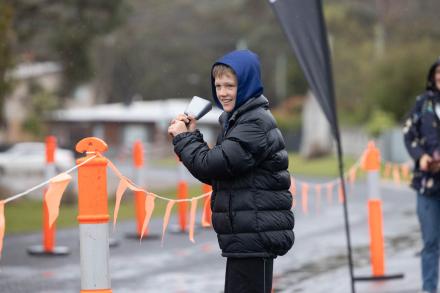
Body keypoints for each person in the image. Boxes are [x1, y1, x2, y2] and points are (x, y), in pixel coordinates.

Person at [168, 49, 295, 292]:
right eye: (218, 86)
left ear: (247, 84)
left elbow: (213, 164)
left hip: (255, 235)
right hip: (246, 235)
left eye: (230, 85)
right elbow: (215, 172)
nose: (223, 93)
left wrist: (184, 139)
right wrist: (191, 136)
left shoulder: (254, 123)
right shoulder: (236, 119)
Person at [403, 59, 440, 293]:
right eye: (438, 74)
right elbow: (408, 133)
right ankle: (429, 289)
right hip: (427, 184)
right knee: (430, 242)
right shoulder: (422, 103)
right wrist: (421, 156)